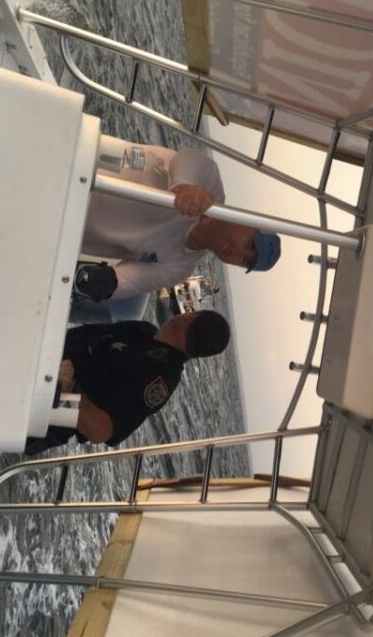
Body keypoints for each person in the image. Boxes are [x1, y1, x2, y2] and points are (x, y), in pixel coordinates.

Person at [74, 140, 281, 304]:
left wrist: (108, 283)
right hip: (80, 160)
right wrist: (183, 186)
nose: (237, 252)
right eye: (249, 244)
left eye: (244, 260)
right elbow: (187, 160)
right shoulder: (209, 180)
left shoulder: (180, 268)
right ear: (248, 222)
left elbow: (130, 282)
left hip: (71, 222)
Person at [25, 310, 230, 455]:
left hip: (38, 409)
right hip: (33, 360)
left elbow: (100, 429)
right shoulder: (145, 331)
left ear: (189, 317)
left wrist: (68, 392)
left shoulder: (160, 378)